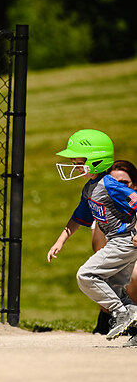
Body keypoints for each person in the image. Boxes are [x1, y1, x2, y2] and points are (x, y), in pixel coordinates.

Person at [47, 129, 137, 346]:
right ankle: (135, 323)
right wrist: (60, 241)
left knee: (86, 275)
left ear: (96, 161)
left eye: (79, 161)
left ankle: (120, 313)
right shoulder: (90, 188)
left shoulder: (109, 184)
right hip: (118, 242)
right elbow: (78, 217)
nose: (75, 166)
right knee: (115, 287)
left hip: (124, 240)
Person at [92, 160, 137, 335]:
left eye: (124, 183)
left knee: (134, 272)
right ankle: (110, 318)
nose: (118, 187)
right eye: (113, 183)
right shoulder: (106, 210)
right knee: (99, 272)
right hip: (122, 261)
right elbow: (99, 249)